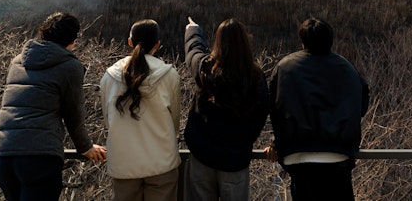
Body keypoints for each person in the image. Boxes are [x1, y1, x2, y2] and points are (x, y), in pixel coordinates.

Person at [0, 11, 107, 201]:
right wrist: (85, 147)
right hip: (39, 157)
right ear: (72, 41)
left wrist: (0, 145)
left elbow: (10, 105)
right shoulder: (70, 66)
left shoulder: (17, 62)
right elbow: (74, 113)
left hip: (4, 157)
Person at [264, 18, 370, 201]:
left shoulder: (285, 67)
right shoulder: (347, 68)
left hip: (297, 155)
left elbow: (275, 107)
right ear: (330, 39)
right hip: (337, 153)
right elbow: (361, 104)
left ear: (302, 41)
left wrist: (277, 142)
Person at [183, 17, 269, 200]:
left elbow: (193, 52)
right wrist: (244, 141)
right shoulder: (256, 77)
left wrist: (193, 30)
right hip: (235, 161)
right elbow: (261, 115)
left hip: (202, 157)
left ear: (218, 42)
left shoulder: (206, 69)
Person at [100, 19, 182, 201]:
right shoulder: (169, 75)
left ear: (130, 42)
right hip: (162, 161)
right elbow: (174, 122)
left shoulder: (109, 76)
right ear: (157, 44)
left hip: (123, 163)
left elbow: (108, 121)